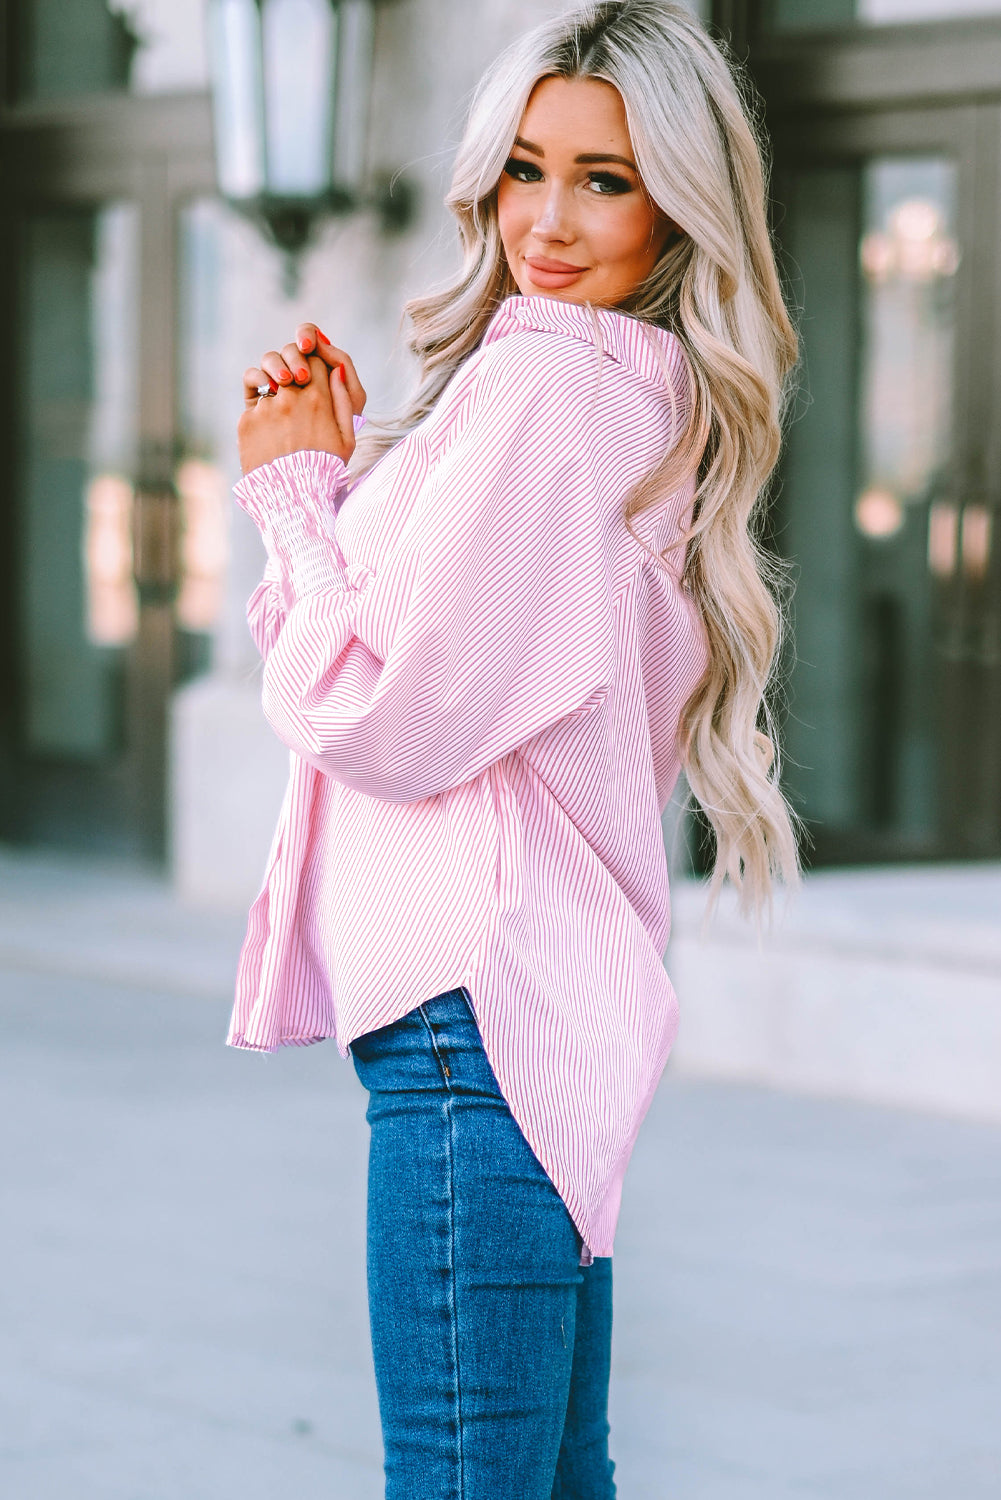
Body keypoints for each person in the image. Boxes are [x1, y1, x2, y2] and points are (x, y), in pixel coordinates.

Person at [228, 2, 799, 1496]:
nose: (546, 219)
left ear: (678, 196)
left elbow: (384, 720)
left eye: (603, 179)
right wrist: (349, 487)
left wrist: (295, 503)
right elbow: (453, 671)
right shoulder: (612, 391)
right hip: (524, 1022)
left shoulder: (552, 387)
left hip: (467, 1028)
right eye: (523, 169)